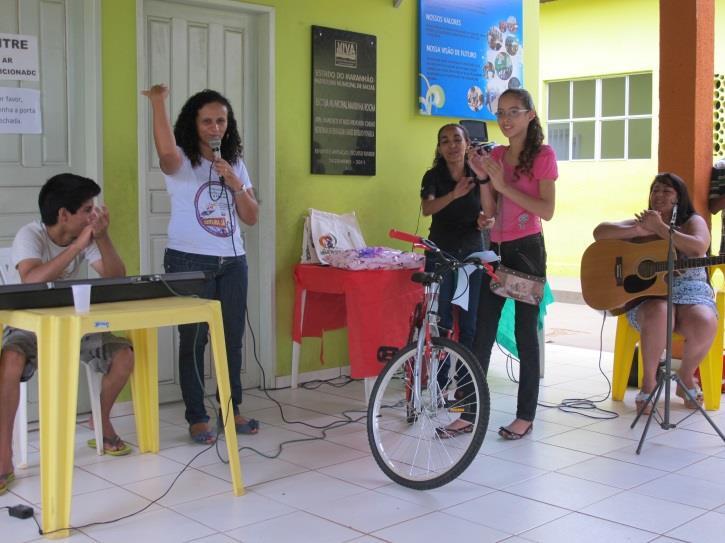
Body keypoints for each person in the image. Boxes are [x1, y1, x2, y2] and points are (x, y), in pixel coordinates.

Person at [0, 173, 135, 494]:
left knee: (124, 355)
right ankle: (4, 451)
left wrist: (102, 238)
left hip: (77, 323)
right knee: (10, 360)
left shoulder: (88, 237)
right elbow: (31, 280)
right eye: (88, 209)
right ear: (64, 215)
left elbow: (117, 277)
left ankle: (100, 421)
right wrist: (77, 246)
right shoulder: (29, 235)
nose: (94, 215)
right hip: (30, 323)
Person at [142, 84, 259, 444]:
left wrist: (236, 184)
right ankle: (197, 416)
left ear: (229, 124)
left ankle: (232, 409)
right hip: (189, 260)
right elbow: (164, 150)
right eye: (207, 121)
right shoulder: (180, 161)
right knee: (193, 340)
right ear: (194, 124)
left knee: (232, 340)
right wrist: (158, 103)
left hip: (233, 262)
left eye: (221, 120)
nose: (214, 127)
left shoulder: (234, 162)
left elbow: (252, 217)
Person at [464, 88, 558, 440]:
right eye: (500, 112)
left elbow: (546, 210)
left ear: (530, 115)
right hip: (497, 249)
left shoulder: (543, 156)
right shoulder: (498, 154)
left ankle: (525, 415)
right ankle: (469, 411)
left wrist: (503, 182)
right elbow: (490, 211)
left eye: (513, 112)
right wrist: (486, 180)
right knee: (481, 332)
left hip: (527, 251)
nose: (505, 119)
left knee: (524, 334)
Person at [593, 172, 717, 414]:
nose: (659, 195)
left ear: (678, 198)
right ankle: (648, 382)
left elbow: (698, 247)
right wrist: (637, 232)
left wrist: (661, 229)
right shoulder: (644, 221)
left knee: (704, 321)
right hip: (648, 295)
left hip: (691, 292)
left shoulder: (693, 220)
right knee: (660, 311)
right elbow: (600, 232)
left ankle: (685, 377)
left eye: (666, 191)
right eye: (655, 190)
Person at [419, 123, 493, 420]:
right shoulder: (433, 176)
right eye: (445, 141)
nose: (451, 145)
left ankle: (463, 390)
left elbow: (489, 211)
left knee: (470, 326)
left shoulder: (479, 174)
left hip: (471, 257)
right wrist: (454, 194)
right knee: (442, 323)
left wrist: (483, 222)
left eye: (457, 140)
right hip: (441, 255)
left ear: (467, 143)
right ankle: (435, 388)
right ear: (439, 147)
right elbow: (427, 209)